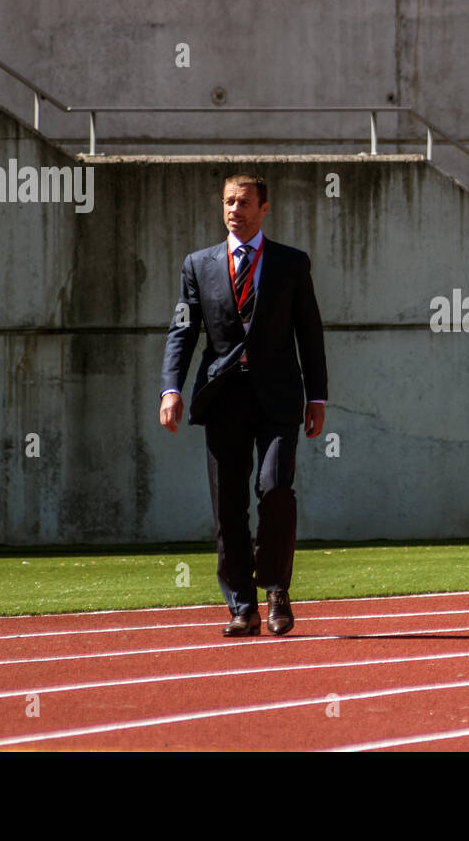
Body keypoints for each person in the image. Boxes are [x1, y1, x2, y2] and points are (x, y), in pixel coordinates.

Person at [160, 174, 328, 637]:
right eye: (229, 201)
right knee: (228, 508)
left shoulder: (292, 264)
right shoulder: (198, 264)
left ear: (264, 208)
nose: (235, 209)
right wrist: (170, 388)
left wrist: (317, 396)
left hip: (278, 398)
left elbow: (309, 334)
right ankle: (241, 606)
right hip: (222, 398)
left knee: (274, 488)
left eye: (245, 202)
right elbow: (183, 331)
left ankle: (275, 588)